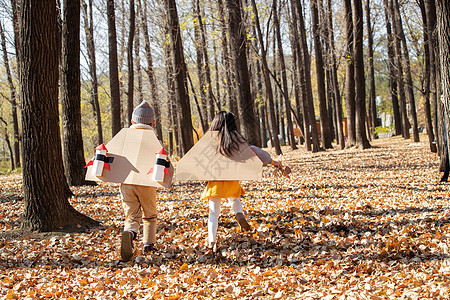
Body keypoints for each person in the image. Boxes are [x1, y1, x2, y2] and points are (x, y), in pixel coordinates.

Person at [202, 111, 282, 254]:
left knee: (213, 213)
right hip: (232, 179)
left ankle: (212, 241)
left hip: (215, 183)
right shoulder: (236, 143)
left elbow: (198, 160)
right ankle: (239, 214)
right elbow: (256, 152)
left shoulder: (208, 144)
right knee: (235, 198)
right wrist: (272, 161)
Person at [120, 100, 163, 261]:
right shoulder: (155, 140)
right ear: (153, 122)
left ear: (132, 121)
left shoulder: (124, 138)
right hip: (146, 182)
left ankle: (130, 234)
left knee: (131, 215)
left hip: (126, 181)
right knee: (150, 215)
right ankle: (148, 245)